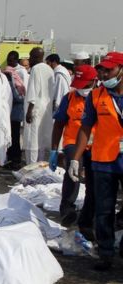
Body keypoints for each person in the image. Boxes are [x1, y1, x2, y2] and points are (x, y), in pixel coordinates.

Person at [68, 52, 123, 271]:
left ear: (120, 70)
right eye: (101, 70)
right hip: (103, 161)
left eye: (108, 70)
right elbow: (85, 128)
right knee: (104, 209)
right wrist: (75, 158)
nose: (103, 73)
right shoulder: (96, 96)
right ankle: (106, 252)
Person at [50, 64, 97, 227]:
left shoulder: (101, 98)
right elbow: (59, 124)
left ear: (94, 81)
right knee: (73, 170)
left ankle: (90, 212)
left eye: (84, 85)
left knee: (94, 178)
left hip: (96, 144)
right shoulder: (69, 98)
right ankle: (67, 210)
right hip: (73, 142)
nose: (80, 88)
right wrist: (54, 150)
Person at [24, 47, 54, 164]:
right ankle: (40, 166)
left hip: (35, 108)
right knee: (41, 139)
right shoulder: (49, 69)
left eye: (31, 57)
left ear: (36, 57)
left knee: (32, 139)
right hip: (46, 108)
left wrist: (29, 111)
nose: (29, 59)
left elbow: (33, 91)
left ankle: (31, 167)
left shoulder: (35, 69)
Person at [4, 51, 27, 167]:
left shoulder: (21, 72)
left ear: (16, 61)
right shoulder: (9, 71)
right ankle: (11, 157)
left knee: (15, 135)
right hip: (10, 107)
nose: (10, 62)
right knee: (10, 134)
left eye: (12, 60)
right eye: (8, 60)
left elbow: (23, 90)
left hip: (17, 107)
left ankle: (16, 159)